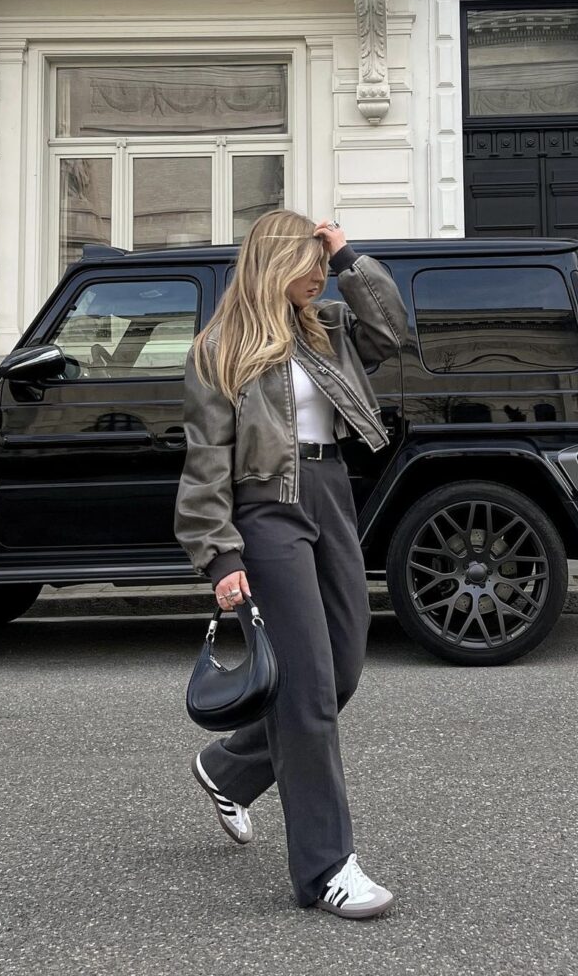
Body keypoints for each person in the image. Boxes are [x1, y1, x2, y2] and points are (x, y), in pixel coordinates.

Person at [174, 209, 407, 920]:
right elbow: (205, 461)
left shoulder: (325, 327)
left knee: (341, 671)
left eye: (319, 264)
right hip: (264, 509)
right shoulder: (218, 349)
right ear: (274, 264)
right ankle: (326, 868)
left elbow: (392, 332)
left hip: (331, 492)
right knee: (305, 688)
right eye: (305, 262)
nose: (315, 275)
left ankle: (229, 766)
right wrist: (219, 554)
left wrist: (347, 256)